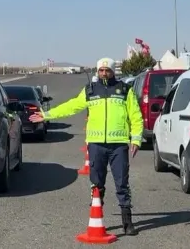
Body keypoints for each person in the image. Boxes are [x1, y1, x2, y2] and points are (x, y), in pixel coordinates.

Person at [29, 57, 143, 236]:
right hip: (96, 145)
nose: (104, 73)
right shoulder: (90, 90)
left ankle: (127, 222)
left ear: (113, 71)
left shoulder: (125, 90)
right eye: (101, 70)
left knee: (122, 183)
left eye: (108, 70)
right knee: (97, 184)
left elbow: (135, 116)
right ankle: (97, 216)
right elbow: (72, 106)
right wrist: (47, 115)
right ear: (98, 72)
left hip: (118, 145)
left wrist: (136, 140)